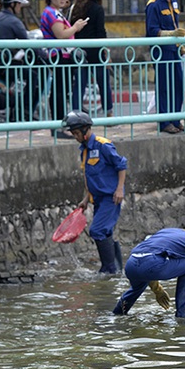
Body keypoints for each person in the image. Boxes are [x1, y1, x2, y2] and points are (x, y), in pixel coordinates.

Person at [62, 110, 127, 274]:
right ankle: (116, 270)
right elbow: (90, 178)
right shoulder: (83, 150)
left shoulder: (103, 145)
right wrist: (85, 199)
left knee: (97, 230)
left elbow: (121, 165)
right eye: (73, 133)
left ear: (85, 129)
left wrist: (120, 189)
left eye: (76, 133)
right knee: (106, 232)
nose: (75, 136)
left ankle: (109, 268)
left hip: (111, 197)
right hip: (97, 198)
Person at [41, 0, 88, 139]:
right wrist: (76, 27)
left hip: (63, 56)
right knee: (59, 92)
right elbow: (61, 34)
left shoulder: (56, 12)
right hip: (58, 56)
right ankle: (58, 126)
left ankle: (61, 125)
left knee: (61, 90)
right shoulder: (51, 13)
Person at [145, 0, 185, 134]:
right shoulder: (154, 4)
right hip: (161, 51)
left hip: (174, 50)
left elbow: (174, 23)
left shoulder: (174, 1)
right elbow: (151, 30)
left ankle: (176, 119)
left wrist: (179, 43)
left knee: (177, 84)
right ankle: (164, 122)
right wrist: (170, 34)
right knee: (164, 86)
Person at [0, 0, 39, 121]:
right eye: (18, 4)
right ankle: (24, 111)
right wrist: (43, 54)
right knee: (33, 76)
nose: (20, 7)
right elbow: (27, 43)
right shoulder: (14, 21)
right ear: (12, 5)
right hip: (4, 65)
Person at [70, 0, 113, 117]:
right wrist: (106, 52)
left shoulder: (76, 8)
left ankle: (75, 113)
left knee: (80, 84)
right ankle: (108, 113)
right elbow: (101, 32)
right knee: (103, 82)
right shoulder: (98, 9)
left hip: (79, 50)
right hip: (96, 50)